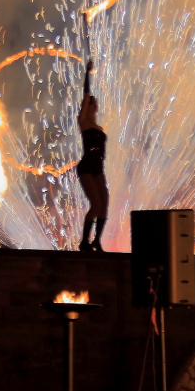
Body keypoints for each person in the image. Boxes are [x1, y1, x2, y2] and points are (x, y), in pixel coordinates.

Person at [76, 60, 109, 251]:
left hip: (98, 166)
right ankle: (84, 242)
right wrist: (87, 72)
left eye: (93, 102)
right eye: (89, 102)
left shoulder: (98, 127)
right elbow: (86, 93)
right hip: (86, 165)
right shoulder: (84, 122)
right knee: (95, 203)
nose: (92, 103)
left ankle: (97, 240)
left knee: (104, 202)